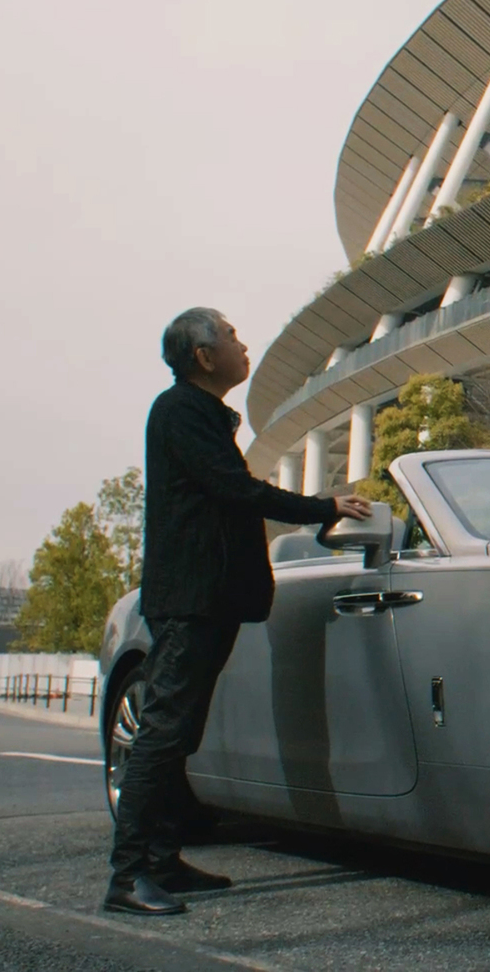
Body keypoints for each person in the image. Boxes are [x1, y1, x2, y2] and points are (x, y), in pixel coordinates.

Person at [104, 308, 371, 916]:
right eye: (230, 337)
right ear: (202, 357)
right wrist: (322, 505)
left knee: (180, 733)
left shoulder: (198, 415)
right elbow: (237, 490)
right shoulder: (180, 412)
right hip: (191, 598)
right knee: (164, 731)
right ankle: (127, 877)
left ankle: (162, 862)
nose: (242, 344)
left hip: (209, 596)